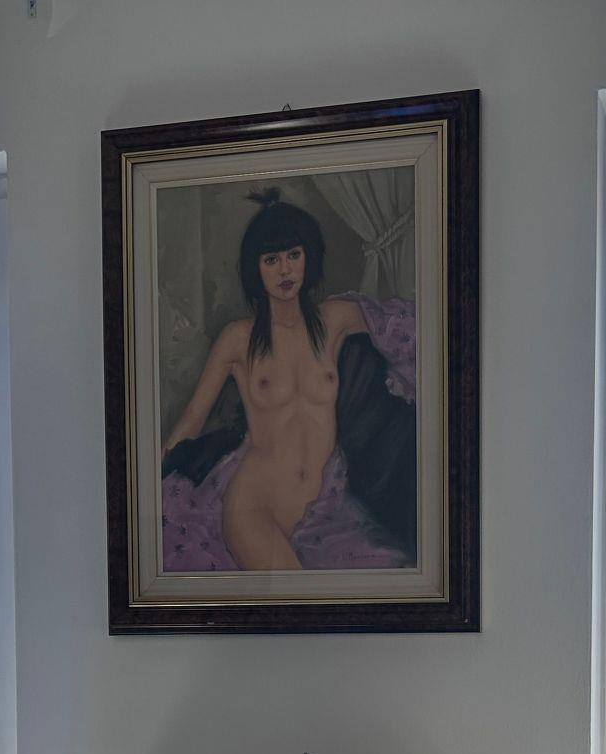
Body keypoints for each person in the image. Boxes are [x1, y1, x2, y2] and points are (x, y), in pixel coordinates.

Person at [160, 189, 417, 572]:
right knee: (293, 596)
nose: (285, 270)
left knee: (391, 574)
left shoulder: (336, 319)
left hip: (326, 508)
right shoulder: (237, 338)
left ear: (307, 257)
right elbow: (193, 417)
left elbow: (410, 326)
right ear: (256, 268)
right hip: (254, 505)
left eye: (293, 255)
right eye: (272, 260)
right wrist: (147, 488)